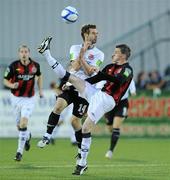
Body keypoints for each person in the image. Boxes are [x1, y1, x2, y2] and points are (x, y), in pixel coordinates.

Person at [37, 36, 133, 175]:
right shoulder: (110, 67)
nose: (113, 54)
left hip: (108, 100)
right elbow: (94, 79)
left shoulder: (127, 69)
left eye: (116, 52)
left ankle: (82, 163)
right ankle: (47, 54)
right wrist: (72, 83)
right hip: (96, 93)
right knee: (69, 76)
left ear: (123, 56)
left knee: (86, 128)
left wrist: (100, 73)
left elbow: (118, 81)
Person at [37, 24, 104, 164]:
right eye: (94, 33)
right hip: (71, 86)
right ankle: (47, 136)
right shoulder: (74, 47)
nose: (96, 35)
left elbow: (88, 72)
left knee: (74, 121)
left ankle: (80, 150)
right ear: (86, 34)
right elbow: (74, 67)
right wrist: (82, 51)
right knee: (57, 107)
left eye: (97, 33)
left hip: (85, 90)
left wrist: (83, 54)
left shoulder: (99, 54)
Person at [3, 45, 43, 161]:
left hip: (29, 99)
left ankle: (19, 152)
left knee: (23, 123)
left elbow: (39, 76)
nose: (24, 54)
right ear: (19, 53)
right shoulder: (13, 66)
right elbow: (5, 80)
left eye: (26, 52)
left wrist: (40, 90)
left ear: (29, 53)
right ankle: (28, 136)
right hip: (15, 98)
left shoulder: (35, 66)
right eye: (21, 52)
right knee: (19, 126)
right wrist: (11, 85)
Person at [105, 79, 136, 159]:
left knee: (116, 127)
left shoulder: (129, 78)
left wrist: (133, 93)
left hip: (122, 103)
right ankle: (115, 135)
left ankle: (110, 150)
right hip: (110, 103)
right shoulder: (111, 73)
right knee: (110, 128)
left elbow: (133, 91)